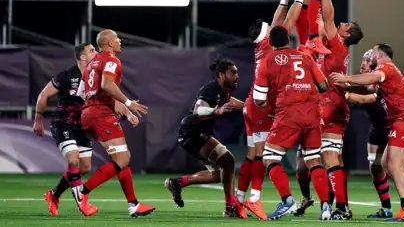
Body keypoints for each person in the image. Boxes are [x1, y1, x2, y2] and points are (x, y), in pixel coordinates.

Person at [33, 43, 139, 216]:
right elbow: (43, 95)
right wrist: (38, 119)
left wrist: (128, 113)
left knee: (84, 168)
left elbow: (111, 97)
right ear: (82, 57)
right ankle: (82, 202)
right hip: (63, 123)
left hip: (82, 126)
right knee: (73, 161)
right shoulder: (67, 76)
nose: (96, 53)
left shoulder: (95, 75)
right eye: (92, 51)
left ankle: (53, 194)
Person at [237, 0, 309, 219]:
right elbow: (290, 17)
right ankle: (255, 199)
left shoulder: (261, 45)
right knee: (265, 156)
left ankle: (236, 201)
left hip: (250, 105)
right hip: (260, 106)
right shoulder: (271, 45)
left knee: (252, 155)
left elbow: (279, 18)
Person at [331, 43, 404, 223]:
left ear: (379, 54)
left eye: (372, 54)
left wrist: (346, 78)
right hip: (403, 120)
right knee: (386, 163)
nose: (369, 57)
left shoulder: (385, 68)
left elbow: (372, 79)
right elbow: (369, 88)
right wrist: (347, 85)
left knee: (395, 165)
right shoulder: (387, 71)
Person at [253, 25, 333, 220]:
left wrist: (273, 97)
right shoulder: (305, 57)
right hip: (312, 115)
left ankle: (287, 201)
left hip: (288, 115)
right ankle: (325, 208)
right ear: (289, 40)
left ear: (271, 43)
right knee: (314, 160)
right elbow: (324, 86)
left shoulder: (267, 60)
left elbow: (258, 98)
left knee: (270, 158)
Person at [70, 30, 153, 218]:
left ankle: (133, 204)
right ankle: (82, 192)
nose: (120, 41)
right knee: (122, 159)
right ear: (109, 43)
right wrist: (128, 103)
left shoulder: (91, 64)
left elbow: (81, 94)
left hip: (89, 113)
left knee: (122, 158)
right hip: (101, 114)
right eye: (117, 39)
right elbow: (107, 85)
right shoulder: (111, 60)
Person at [307, 0, 364, 219]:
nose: (341, 23)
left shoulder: (338, 46)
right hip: (328, 104)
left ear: (347, 34)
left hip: (330, 105)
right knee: (333, 159)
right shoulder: (331, 46)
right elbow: (317, 22)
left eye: (346, 25)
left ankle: (340, 207)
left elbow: (327, 19)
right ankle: (340, 204)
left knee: (326, 157)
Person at [164, 59, 245, 218]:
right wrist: (216, 111)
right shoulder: (211, 89)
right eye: (233, 72)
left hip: (196, 133)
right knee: (228, 160)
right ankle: (230, 208)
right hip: (192, 133)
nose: (237, 76)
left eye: (237, 72)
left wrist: (249, 106)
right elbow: (198, 109)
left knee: (219, 174)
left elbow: (229, 101)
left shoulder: (225, 89)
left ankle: (177, 183)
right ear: (221, 75)